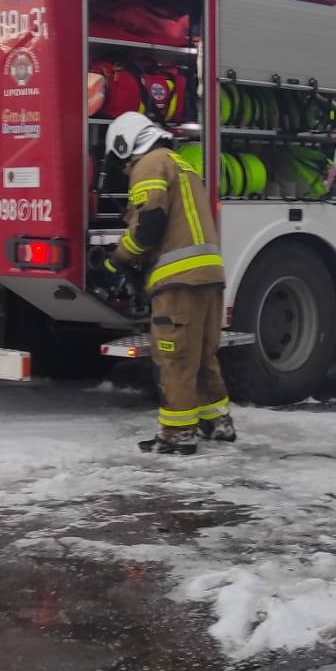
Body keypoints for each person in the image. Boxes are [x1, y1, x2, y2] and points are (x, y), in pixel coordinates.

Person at [98, 110, 232, 453]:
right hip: (208, 276)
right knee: (202, 356)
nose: (124, 170)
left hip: (178, 282)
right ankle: (218, 423)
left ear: (126, 145)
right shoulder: (181, 164)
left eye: (122, 162)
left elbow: (150, 222)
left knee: (175, 358)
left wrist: (119, 258)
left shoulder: (150, 164)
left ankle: (177, 434)